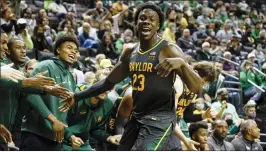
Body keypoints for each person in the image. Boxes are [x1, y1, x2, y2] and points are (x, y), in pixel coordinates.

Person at [60, 3, 203, 151]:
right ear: (136, 23)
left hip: (159, 120)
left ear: (158, 25)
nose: (146, 21)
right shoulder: (130, 52)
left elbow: (197, 88)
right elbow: (108, 82)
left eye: (151, 19)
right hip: (137, 117)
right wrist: (77, 96)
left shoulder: (169, 49)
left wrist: (182, 64)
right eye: (142, 18)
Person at [20, 34, 79, 150]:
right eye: (69, 47)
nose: (73, 52)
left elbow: (61, 112)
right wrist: (53, 120)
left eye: (76, 50)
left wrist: (69, 135)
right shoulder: (45, 66)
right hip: (35, 135)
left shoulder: (71, 77)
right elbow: (30, 94)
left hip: (56, 138)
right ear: (58, 50)